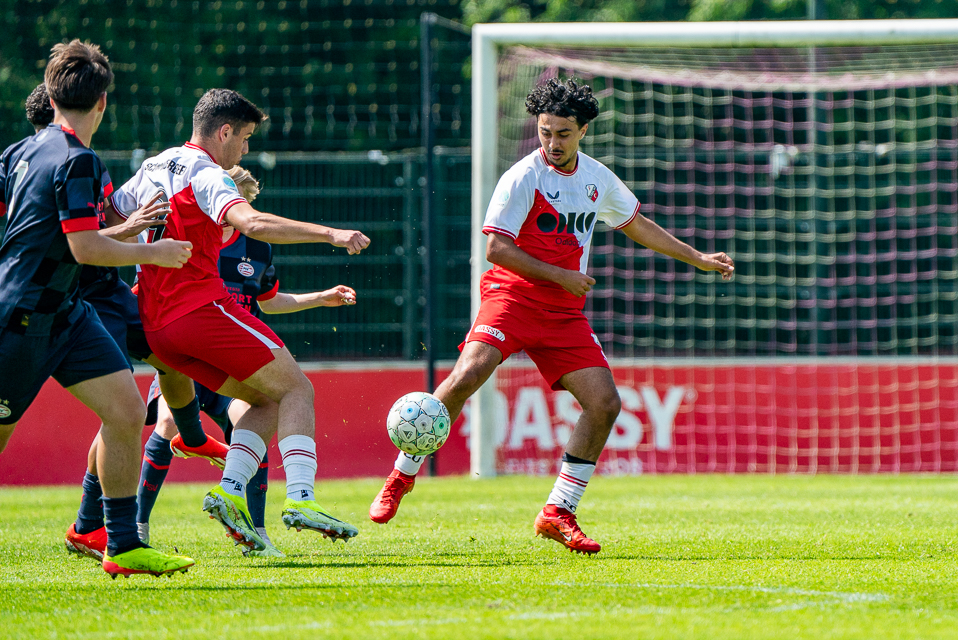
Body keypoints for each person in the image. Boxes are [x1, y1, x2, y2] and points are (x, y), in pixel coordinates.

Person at [369, 77, 735, 554]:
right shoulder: (523, 176)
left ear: (582, 130)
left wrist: (699, 258)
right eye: (544, 132)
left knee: (605, 405)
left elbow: (638, 225)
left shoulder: (596, 179)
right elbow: (497, 248)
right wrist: (559, 275)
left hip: (563, 313)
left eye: (562, 133)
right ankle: (402, 475)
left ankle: (558, 511)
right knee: (467, 375)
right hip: (513, 297)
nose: (552, 143)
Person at [109, 88, 370, 554]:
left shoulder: (152, 166)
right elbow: (253, 224)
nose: (245, 151)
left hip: (154, 326)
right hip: (197, 311)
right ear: (223, 131)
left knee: (267, 401)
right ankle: (303, 498)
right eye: (245, 138)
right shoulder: (206, 172)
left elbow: (108, 215)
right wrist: (331, 233)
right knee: (297, 389)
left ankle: (229, 492)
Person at [14, 79, 232, 562]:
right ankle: (91, 526)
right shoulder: (56, 163)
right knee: (117, 414)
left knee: (169, 359)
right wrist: (139, 238)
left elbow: (97, 223)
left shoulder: (81, 162)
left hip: (102, 295)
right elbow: (83, 243)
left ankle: (189, 440)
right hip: (69, 299)